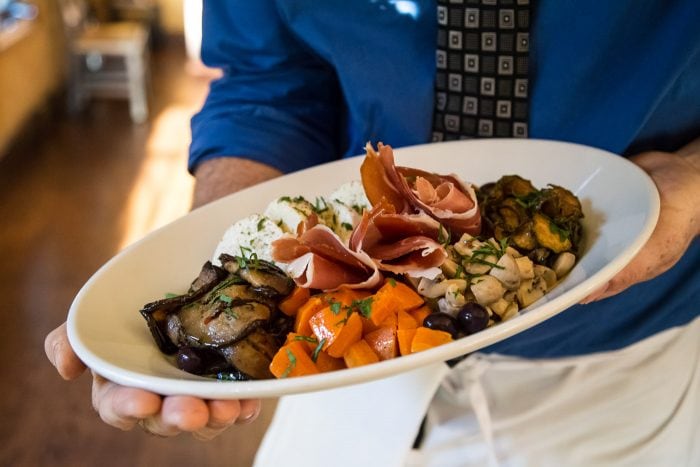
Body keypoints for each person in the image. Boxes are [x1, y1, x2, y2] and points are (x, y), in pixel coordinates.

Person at [46, 0, 699, 463]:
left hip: (619, 370)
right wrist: (230, 274)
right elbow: (270, 80)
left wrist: (693, 179)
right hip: (343, 362)